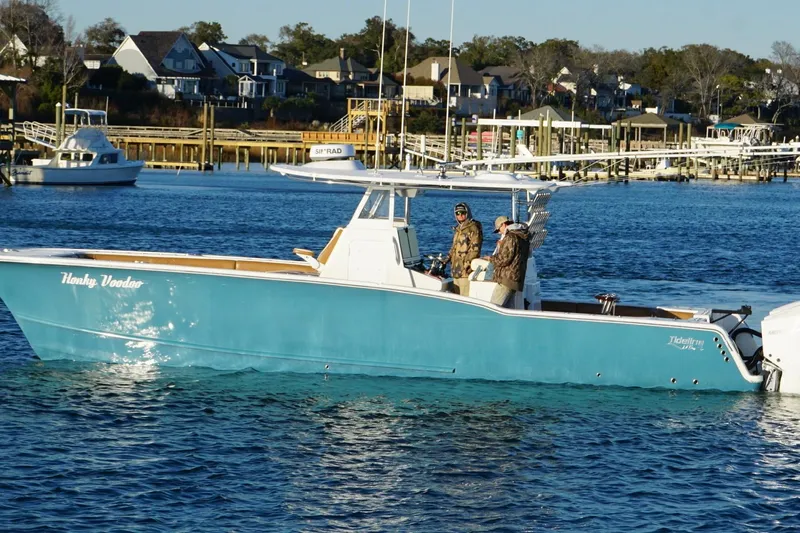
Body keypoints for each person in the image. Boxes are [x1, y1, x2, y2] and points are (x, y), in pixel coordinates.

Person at [486, 215, 530, 308]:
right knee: (508, 310)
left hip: (506, 278)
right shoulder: (522, 236)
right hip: (516, 279)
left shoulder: (510, 237)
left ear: (504, 225)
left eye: (498, 229)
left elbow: (504, 259)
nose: (499, 233)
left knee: (494, 307)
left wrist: (490, 258)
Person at [442, 202, 483, 295]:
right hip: (455, 270)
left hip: (465, 272)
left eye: (462, 213)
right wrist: (445, 260)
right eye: (457, 213)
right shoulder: (458, 229)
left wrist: (466, 265)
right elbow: (454, 247)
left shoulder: (473, 228)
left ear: (467, 212)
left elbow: (475, 250)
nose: (460, 215)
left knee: (465, 296)